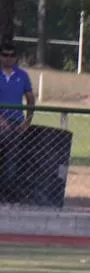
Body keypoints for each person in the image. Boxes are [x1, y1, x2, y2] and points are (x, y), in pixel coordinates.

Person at [0, 41, 35, 204]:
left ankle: (7, 194)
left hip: (16, 123)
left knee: (12, 159)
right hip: (1, 123)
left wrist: (27, 121)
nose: (8, 58)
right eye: (5, 55)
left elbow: (30, 98)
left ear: (16, 58)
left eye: (11, 55)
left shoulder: (22, 76)